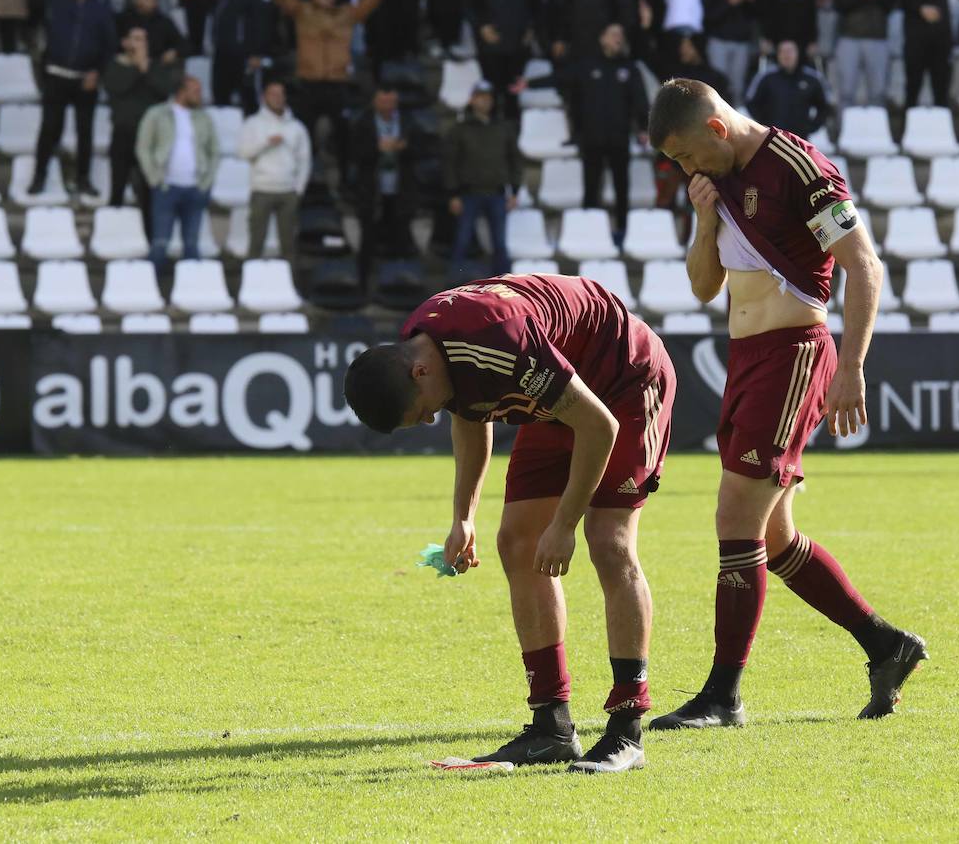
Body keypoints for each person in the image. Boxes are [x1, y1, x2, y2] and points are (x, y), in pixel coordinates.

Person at [646, 78, 926, 728]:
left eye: (688, 156)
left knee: (734, 517)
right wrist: (702, 216)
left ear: (715, 128)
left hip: (795, 353)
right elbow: (702, 286)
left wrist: (851, 365)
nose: (687, 169)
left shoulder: (799, 167)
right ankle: (887, 645)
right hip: (746, 360)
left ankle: (724, 694)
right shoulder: (718, 185)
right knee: (773, 539)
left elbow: (864, 264)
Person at [343, 272, 678, 774]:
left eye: (421, 414)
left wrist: (564, 522)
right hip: (558, 392)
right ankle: (551, 726)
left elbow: (598, 424)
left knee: (607, 540)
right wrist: (463, 517)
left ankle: (628, 729)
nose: (431, 419)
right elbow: (469, 412)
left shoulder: (498, 342)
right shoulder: (427, 348)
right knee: (517, 540)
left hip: (623, 380)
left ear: (418, 375)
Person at [520, 23, 649, 243]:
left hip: (619, 137)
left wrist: (644, 128)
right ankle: (590, 232)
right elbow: (560, 77)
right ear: (602, 39)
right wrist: (529, 83)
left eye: (620, 35)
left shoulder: (629, 68)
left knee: (622, 187)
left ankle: (623, 233)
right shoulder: (587, 65)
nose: (618, 38)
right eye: (613, 34)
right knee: (591, 187)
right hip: (592, 138)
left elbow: (640, 100)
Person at [270, 0, 391, 184]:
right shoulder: (303, 12)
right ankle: (303, 180)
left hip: (337, 84)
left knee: (345, 134)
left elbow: (367, 5)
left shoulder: (345, 14)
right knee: (303, 135)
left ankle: (346, 181)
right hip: (308, 84)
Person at [27, 0, 115, 197]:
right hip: (56, 75)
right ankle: (39, 176)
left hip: (85, 79)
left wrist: (97, 72)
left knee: (84, 132)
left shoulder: (101, 10)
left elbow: (109, 47)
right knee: (49, 130)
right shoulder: (58, 1)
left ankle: (83, 179)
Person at [136, 75, 219, 272]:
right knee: (160, 243)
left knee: (191, 244)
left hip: (195, 188)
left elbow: (214, 151)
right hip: (166, 187)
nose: (200, 95)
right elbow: (143, 147)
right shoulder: (157, 114)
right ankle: (151, 291)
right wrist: (154, 178)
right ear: (182, 92)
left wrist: (206, 182)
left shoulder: (204, 118)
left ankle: (192, 293)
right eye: (196, 91)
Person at [442, 80, 522, 277]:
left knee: (500, 244)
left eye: (488, 98)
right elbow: (449, 163)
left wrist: (515, 190)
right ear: (472, 100)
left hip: (497, 192)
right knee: (462, 240)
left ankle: (504, 287)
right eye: (480, 98)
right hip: (468, 193)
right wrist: (452, 193)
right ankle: (453, 287)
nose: (484, 102)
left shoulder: (503, 128)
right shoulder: (459, 129)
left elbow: (515, 159)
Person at [104, 26, 181, 213]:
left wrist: (145, 69)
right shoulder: (115, 66)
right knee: (118, 186)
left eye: (143, 40)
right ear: (125, 42)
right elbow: (117, 88)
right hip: (123, 133)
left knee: (148, 188)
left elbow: (164, 91)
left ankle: (148, 233)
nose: (140, 43)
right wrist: (137, 69)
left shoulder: (155, 67)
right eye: (136, 38)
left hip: (149, 137)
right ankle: (113, 226)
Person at [238, 79, 310, 260]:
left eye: (281, 94)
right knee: (256, 244)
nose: (278, 98)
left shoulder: (296, 127)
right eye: (273, 94)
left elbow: (305, 160)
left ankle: (291, 286)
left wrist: (298, 189)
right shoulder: (253, 123)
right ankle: (250, 286)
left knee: (289, 246)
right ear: (264, 98)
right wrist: (266, 143)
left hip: (288, 192)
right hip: (262, 190)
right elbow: (243, 152)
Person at [207, 0, 278, 112]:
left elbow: (262, 21)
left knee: (248, 100)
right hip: (223, 49)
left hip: (244, 54)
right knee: (220, 99)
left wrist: (256, 52)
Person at [352, 83, 419, 264]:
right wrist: (376, 149)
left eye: (391, 102)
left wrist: (404, 148)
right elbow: (353, 154)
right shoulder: (363, 122)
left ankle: (400, 280)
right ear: (375, 102)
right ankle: (366, 284)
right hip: (372, 192)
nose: (387, 106)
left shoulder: (408, 121)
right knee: (369, 242)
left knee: (400, 239)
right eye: (383, 101)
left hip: (401, 191)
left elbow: (422, 149)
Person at [469, 0, 533, 118]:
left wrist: (530, 28)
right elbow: (470, 6)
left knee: (513, 93)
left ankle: (513, 133)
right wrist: (482, 27)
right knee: (493, 93)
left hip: (517, 48)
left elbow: (534, 8)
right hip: (492, 48)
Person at [834, 0, 894, 108]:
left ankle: (876, 130)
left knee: (878, 92)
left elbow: (893, 3)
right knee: (846, 92)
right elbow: (841, 3)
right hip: (849, 36)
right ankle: (844, 131)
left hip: (877, 36)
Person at [900, 0, 952, 108]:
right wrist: (920, 9)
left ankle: (942, 131)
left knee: (941, 89)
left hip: (940, 40)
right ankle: (907, 131)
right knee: (913, 88)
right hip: (916, 40)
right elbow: (901, 0)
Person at [700, 0, 757, 104]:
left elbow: (754, 14)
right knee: (716, 87)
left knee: (737, 87)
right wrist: (729, 2)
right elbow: (708, 15)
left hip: (741, 40)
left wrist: (751, 0)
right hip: (718, 38)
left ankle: (736, 126)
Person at [745, 40, 830, 138]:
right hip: (771, 138)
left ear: (797, 53)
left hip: (800, 140)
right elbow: (751, 101)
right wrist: (764, 124)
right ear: (778, 54)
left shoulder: (812, 78)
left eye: (790, 51)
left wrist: (812, 126)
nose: (786, 55)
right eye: (783, 51)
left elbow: (825, 105)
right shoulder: (766, 77)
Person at [115, 0, 189, 64]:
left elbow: (185, 46)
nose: (142, 1)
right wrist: (123, 43)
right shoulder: (123, 18)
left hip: (156, 67)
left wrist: (174, 52)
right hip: (127, 64)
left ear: (155, 1)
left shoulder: (164, 22)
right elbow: (110, 41)